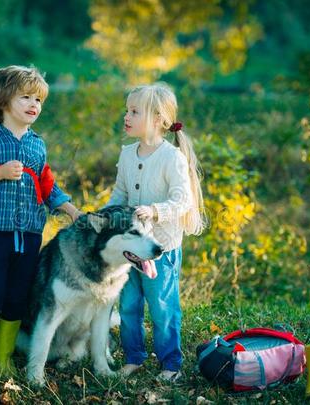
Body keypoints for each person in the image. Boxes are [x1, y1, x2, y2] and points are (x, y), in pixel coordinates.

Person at [0, 65, 82, 376]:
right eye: (25, 97)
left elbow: (47, 185)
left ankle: (3, 358)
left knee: (16, 299)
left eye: (38, 100)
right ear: (2, 101)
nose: (33, 105)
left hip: (28, 235)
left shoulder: (37, 145)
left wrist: (70, 210)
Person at [106, 83, 206, 382]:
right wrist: (105, 214)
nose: (127, 116)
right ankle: (133, 357)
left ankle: (171, 363)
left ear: (159, 119)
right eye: (127, 110)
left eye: (135, 111)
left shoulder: (171, 157)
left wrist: (155, 210)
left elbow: (183, 200)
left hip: (161, 247)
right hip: (129, 249)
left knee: (162, 308)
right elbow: (119, 193)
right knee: (129, 305)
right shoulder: (126, 154)